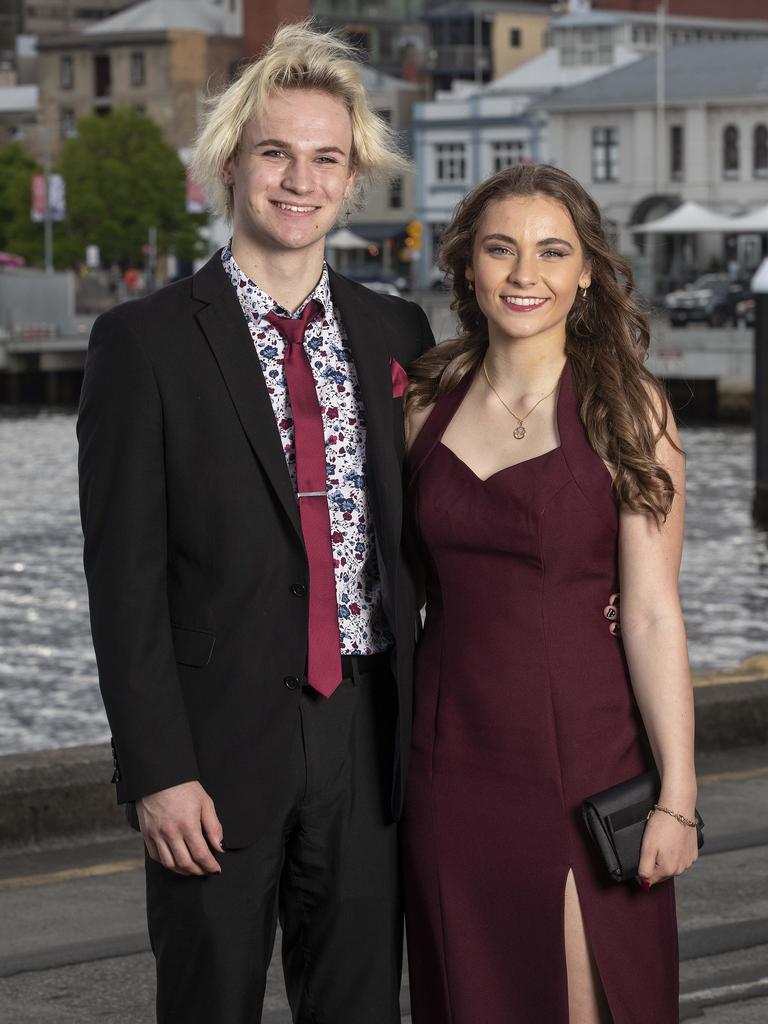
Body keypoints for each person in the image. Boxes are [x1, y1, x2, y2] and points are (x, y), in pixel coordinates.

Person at [77, 24, 434, 1024]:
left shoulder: (397, 332)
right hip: (217, 747)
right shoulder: (140, 343)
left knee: (361, 1006)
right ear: (232, 162)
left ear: (351, 177)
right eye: (276, 152)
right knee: (208, 1004)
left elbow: (443, 515)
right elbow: (125, 580)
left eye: (327, 158)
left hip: (367, 736)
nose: (299, 179)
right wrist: (158, 771)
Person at [400, 164, 699, 1024]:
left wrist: (677, 795)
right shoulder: (422, 404)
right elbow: (395, 581)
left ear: (587, 272)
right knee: (468, 999)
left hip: (584, 760)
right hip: (446, 759)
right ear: (467, 266)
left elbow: (650, 612)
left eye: (551, 251)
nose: (525, 274)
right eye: (501, 249)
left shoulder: (630, 414)